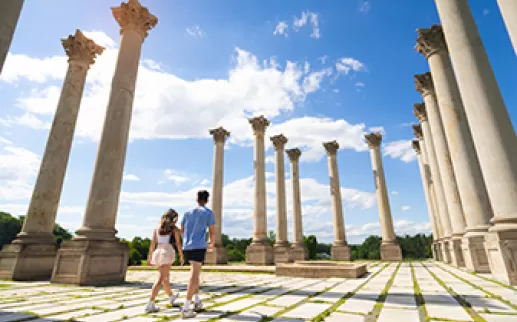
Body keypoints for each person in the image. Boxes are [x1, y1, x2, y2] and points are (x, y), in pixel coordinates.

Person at [180, 190, 216, 319]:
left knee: (196, 273)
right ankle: (186, 307)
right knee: (194, 275)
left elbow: (182, 229)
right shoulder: (208, 213)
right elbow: (212, 232)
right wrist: (211, 244)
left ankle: (197, 300)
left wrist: (186, 240)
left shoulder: (187, 212)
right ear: (207, 200)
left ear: (196, 199)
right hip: (199, 246)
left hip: (187, 246)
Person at [144, 209, 184, 313]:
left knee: (165, 277)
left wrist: (150, 256)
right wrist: (181, 255)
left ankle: (171, 296)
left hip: (158, 251)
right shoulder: (173, 229)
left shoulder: (157, 228)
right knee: (161, 278)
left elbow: (153, 244)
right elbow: (178, 243)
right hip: (167, 251)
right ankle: (150, 303)